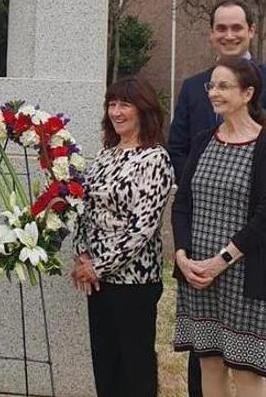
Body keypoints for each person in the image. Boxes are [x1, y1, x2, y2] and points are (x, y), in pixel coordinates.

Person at [168, 0, 266, 397]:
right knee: (205, 347)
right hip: (203, 235)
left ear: (251, 31)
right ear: (211, 33)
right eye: (221, 28)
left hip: (254, 239)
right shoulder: (194, 87)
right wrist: (199, 192)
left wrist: (235, 234)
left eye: (236, 28)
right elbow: (179, 149)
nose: (228, 34)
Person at [71, 77, 174, 397]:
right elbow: (83, 208)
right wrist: (81, 255)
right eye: (112, 104)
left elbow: (143, 227)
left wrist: (98, 266)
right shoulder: (105, 155)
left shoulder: (155, 159)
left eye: (124, 104)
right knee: (105, 361)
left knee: (135, 363)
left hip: (134, 281)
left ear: (143, 110)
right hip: (96, 279)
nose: (116, 111)